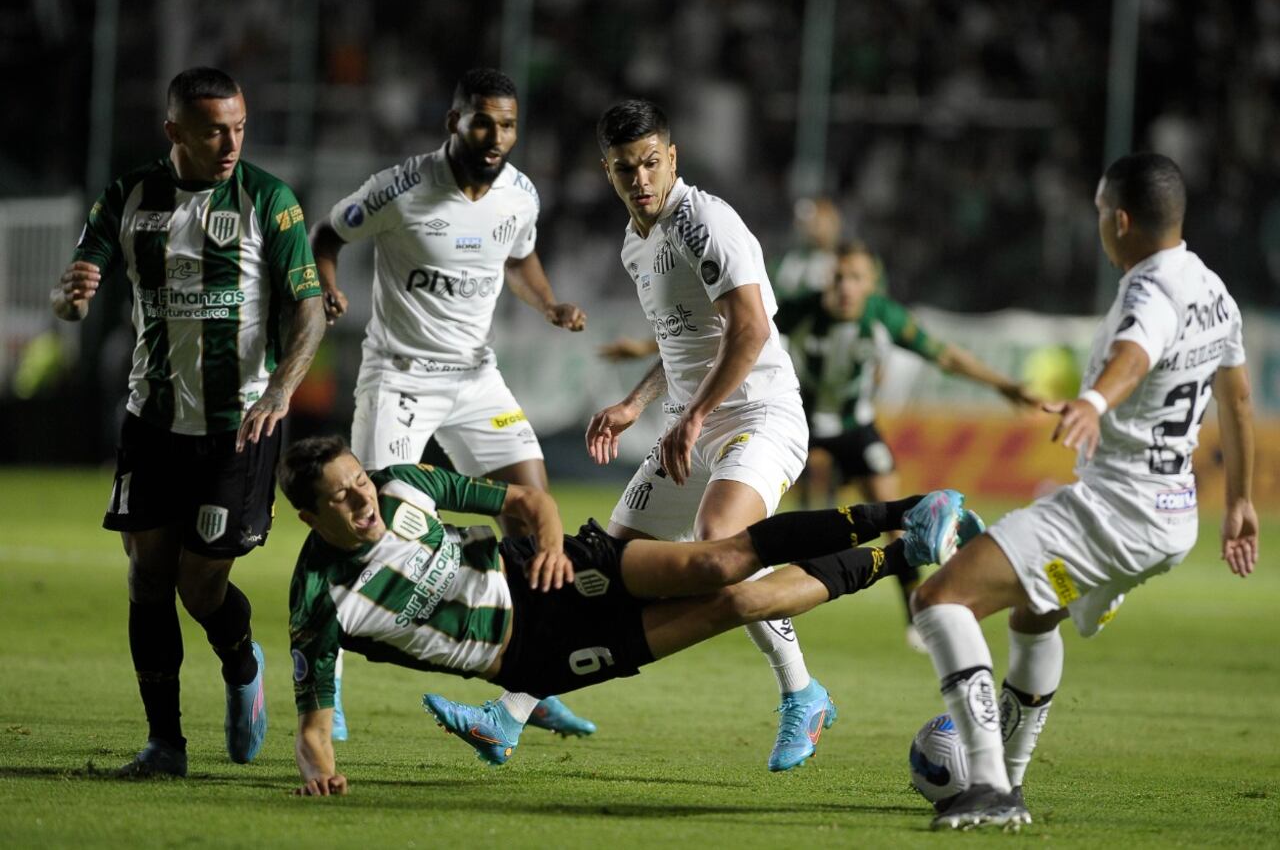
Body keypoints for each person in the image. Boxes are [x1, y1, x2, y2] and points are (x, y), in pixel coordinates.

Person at [277, 435, 980, 794]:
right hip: (533, 660)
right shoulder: (319, 597)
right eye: (340, 499)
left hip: (539, 574)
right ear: (309, 516)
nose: (362, 500)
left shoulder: (406, 487)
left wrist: (549, 542)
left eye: (359, 480)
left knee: (718, 562)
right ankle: (899, 557)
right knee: (733, 604)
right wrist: (320, 770)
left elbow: (527, 501)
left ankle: (908, 511)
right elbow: (313, 720)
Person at [909, 152, 1258, 831]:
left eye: (1101, 212)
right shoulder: (1214, 289)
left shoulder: (1149, 291)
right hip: (1170, 515)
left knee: (939, 598)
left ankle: (986, 784)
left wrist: (1095, 399)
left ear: (1121, 220)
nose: (1100, 223)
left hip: (1114, 509)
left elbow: (1137, 351)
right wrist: (1240, 500)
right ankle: (1008, 775)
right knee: (1035, 614)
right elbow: (1237, 400)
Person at [51, 67, 327, 777]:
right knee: (147, 576)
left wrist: (282, 390)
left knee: (199, 586)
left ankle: (242, 665)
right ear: (175, 131)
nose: (231, 142)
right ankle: (164, 743)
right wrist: (71, 297)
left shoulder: (269, 199)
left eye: (240, 127)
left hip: (241, 426)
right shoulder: (130, 194)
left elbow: (309, 307)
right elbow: (79, 287)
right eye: (213, 130)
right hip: (152, 418)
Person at [310, 67, 592, 742]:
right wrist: (326, 288)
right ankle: (326, 689)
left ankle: (530, 678)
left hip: (474, 378)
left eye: (509, 124)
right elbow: (327, 235)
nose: (497, 136)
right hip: (400, 378)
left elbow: (519, 259)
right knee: (368, 529)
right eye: (484, 122)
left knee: (533, 508)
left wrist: (549, 302)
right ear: (454, 122)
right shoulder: (400, 188)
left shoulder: (519, 194)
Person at [584, 99, 833, 772]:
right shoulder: (636, 242)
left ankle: (802, 693)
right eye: (625, 167)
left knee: (720, 540)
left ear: (672, 157)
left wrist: (694, 414)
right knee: (609, 566)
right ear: (607, 172)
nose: (641, 177)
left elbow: (750, 329)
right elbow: (681, 342)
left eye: (651, 162)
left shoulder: (704, 222)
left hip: (760, 415)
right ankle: (527, 697)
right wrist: (638, 402)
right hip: (688, 426)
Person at [773, 241, 1038, 650]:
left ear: (872, 285)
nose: (845, 287)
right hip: (801, 424)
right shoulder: (800, 309)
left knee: (894, 517)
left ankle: (916, 615)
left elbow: (945, 357)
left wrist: (1003, 385)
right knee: (762, 506)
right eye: (838, 277)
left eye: (855, 278)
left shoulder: (884, 317)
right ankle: (745, 585)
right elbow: (739, 328)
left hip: (855, 426)